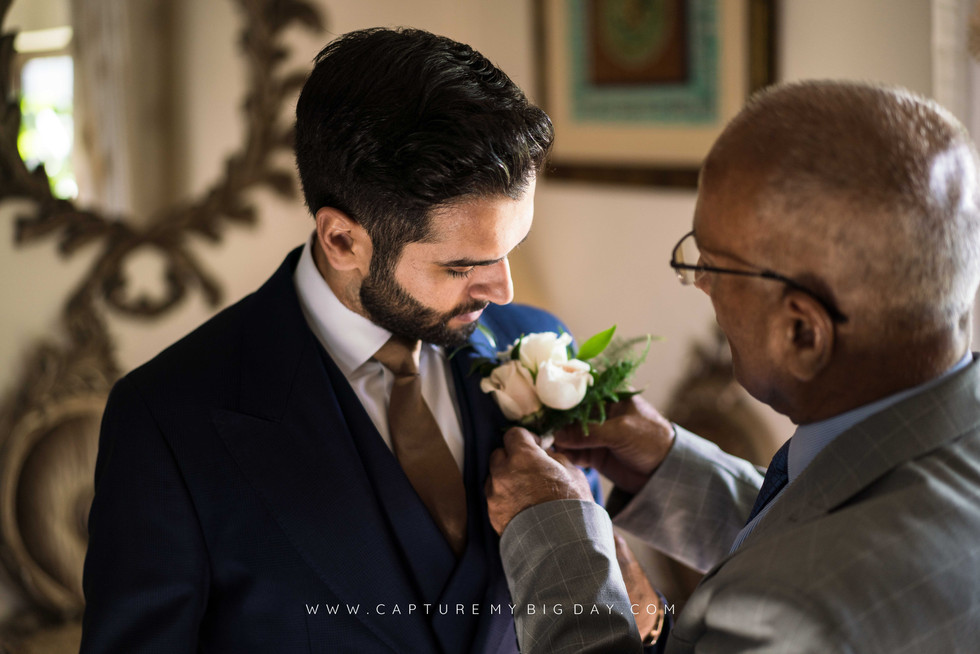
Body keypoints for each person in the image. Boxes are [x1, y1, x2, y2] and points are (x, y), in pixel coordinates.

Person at [80, 27, 603, 653]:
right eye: (463, 267)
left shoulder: (542, 346)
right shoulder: (167, 422)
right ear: (342, 240)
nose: (505, 292)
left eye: (511, 248)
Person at [485, 80, 980, 653]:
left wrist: (557, 539)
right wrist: (672, 467)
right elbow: (847, 529)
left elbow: (817, 579)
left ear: (801, 330)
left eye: (714, 264)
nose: (700, 283)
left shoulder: (795, 618)